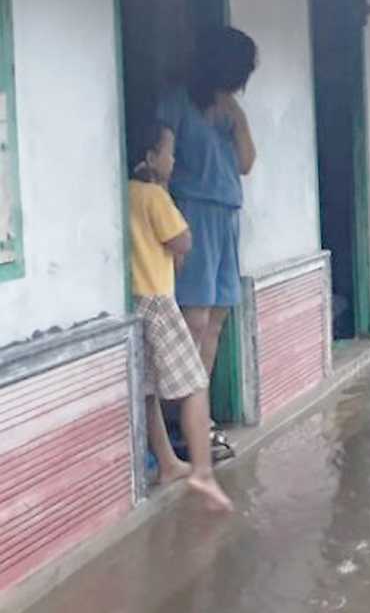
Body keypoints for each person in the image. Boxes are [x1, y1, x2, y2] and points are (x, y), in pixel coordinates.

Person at [157, 26, 258, 456]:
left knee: (214, 319)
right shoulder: (177, 101)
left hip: (225, 215)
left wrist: (238, 119)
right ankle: (177, 422)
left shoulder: (231, 110)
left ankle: (199, 417)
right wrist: (168, 223)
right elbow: (162, 163)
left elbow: (247, 163)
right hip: (190, 214)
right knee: (192, 320)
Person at [129, 122, 234, 512]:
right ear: (153, 159)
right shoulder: (154, 195)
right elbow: (183, 241)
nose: (174, 160)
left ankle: (169, 463)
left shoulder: (123, 192)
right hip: (158, 299)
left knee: (148, 390)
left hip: (132, 302)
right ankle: (201, 472)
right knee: (192, 382)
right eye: (170, 152)